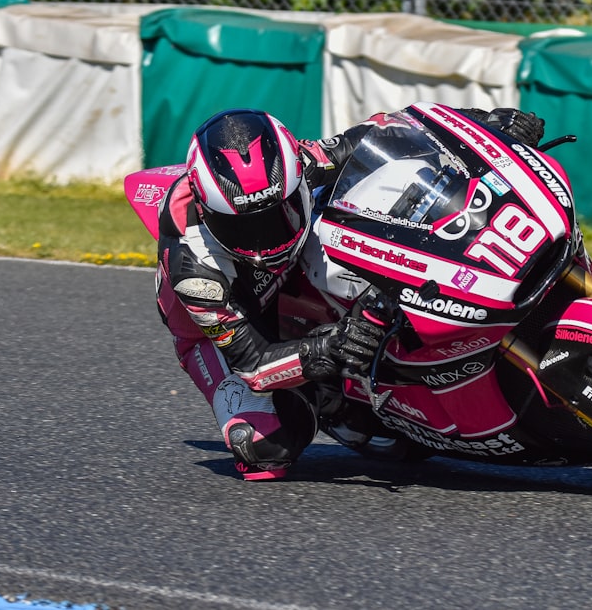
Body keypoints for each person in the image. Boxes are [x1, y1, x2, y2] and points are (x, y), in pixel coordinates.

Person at [155, 105, 546, 480]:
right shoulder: (194, 269)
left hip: (297, 270)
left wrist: (486, 125)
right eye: (244, 228)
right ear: (207, 211)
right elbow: (252, 363)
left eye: (280, 212)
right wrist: (329, 349)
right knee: (265, 448)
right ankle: (333, 402)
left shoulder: (300, 163)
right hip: (233, 329)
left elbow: (386, 132)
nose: (263, 242)